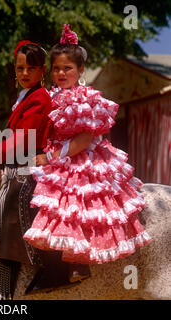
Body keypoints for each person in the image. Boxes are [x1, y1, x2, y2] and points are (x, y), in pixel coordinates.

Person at [23, 25, 152, 266]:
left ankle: (73, 265)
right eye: (57, 68)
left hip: (80, 157)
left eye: (68, 68)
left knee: (73, 204)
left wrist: (52, 158)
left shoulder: (86, 99)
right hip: (55, 153)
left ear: (81, 69)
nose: (61, 73)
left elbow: (83, 140)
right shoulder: (49, 97)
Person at [0, 40, 77, 300]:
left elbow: (22, 141)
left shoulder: (39, 98)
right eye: (20, 68)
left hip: (29, 165)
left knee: (10, 201)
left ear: (42, 71)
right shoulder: (24, 97)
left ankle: (3, 286)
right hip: (19, 161)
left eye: (31, 68)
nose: (24, 73)